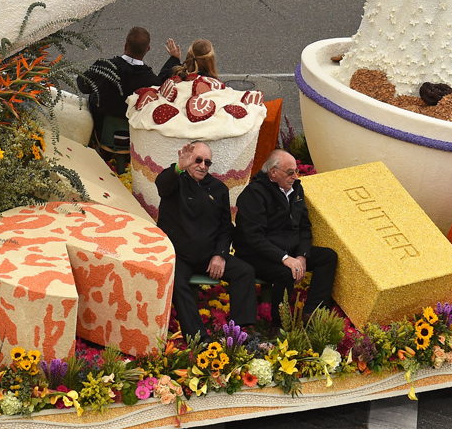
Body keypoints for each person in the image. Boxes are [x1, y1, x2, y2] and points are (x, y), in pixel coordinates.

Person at [156, 141, 257, 341]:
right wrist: (178, 168)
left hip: (209, 256)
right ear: (187, 161)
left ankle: (241, 332)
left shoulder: (218, 188)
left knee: (245, 271)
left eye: (207, 162)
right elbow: (161, 185)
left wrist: (219, 255)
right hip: (180, 255)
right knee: (176, 280)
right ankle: (198, 338)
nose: (203, 166)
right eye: (198, 160)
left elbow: (225, 227)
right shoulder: (175, 181)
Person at [233, 150, 339, 328]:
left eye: (296, 171)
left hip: (289, 250)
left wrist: (302, 256)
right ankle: (279, 325)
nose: (295, 177)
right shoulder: (254, 194)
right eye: (290, 172)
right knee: (285, 272)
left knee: (328, 257)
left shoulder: (296, 189)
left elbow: (304, 226)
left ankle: (312, 314)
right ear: (273, 173)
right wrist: (284, 258)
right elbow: (254, 237)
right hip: (256, 255)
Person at [76, 26, 181, 145]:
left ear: (125, 45)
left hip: (99, 132)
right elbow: (162, 83)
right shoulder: (150, 81)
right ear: (148, 49)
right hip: (132, 139)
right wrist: (174, 60)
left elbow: (82, 86)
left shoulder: (105, 67)